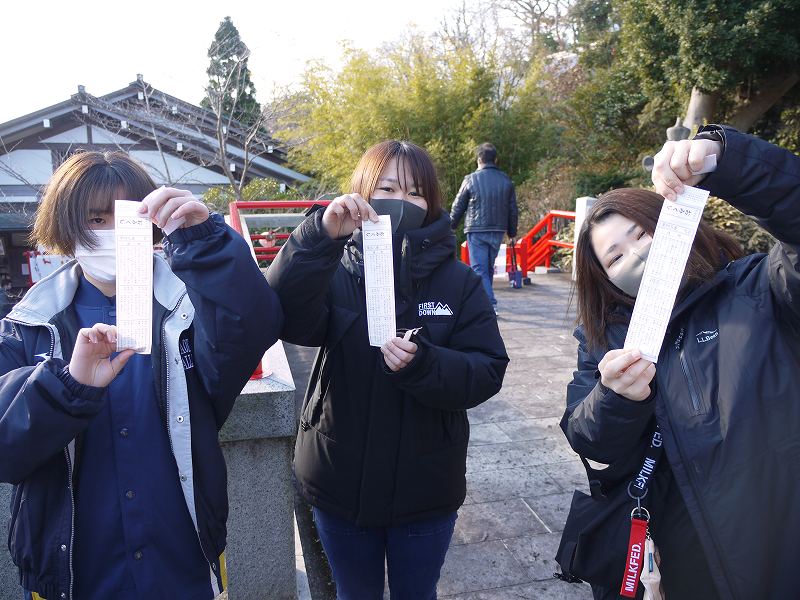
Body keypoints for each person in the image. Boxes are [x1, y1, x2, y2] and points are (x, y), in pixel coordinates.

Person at [0, 151, 283, 599]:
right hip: (76, 570)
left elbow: (254, 326)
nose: (111, 232)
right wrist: (66, 385)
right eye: (95, 218)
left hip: (182, 556)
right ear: (66, 224)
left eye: (126, 216)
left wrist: (206, 241)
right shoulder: (30, 323)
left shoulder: (186, 305)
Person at [562, 125, 800, 599]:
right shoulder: (604, 340)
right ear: (605, 279)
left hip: (778, 548)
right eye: (615, 256)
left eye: (642, 233)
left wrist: (727, 160)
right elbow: (587, 437)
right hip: (680, 561)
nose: (636, 254)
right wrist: (615, 398)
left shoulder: (760, 287)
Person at [267, 140, 508, 599]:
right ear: (360, 192)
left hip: (426, 487)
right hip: (339, 478)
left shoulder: (459, 281)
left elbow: (487, 368)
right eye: (387, 187)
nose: (400, 201)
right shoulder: (334, 269)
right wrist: (319, 237)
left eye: (416, 191)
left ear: (433, 202)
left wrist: (426, 365)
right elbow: (280, 311)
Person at [449, 142, 518, 310]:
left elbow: (458, 206)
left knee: (479, 268)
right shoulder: (505, 180)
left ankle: (489, 304)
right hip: (497, 230)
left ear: (479, 159)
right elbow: (512, 209)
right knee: (487, 267)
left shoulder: (470, 179)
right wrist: (512, 232)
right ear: (495, 159)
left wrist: (450, 226)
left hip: (477, 229)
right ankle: (486, 301)